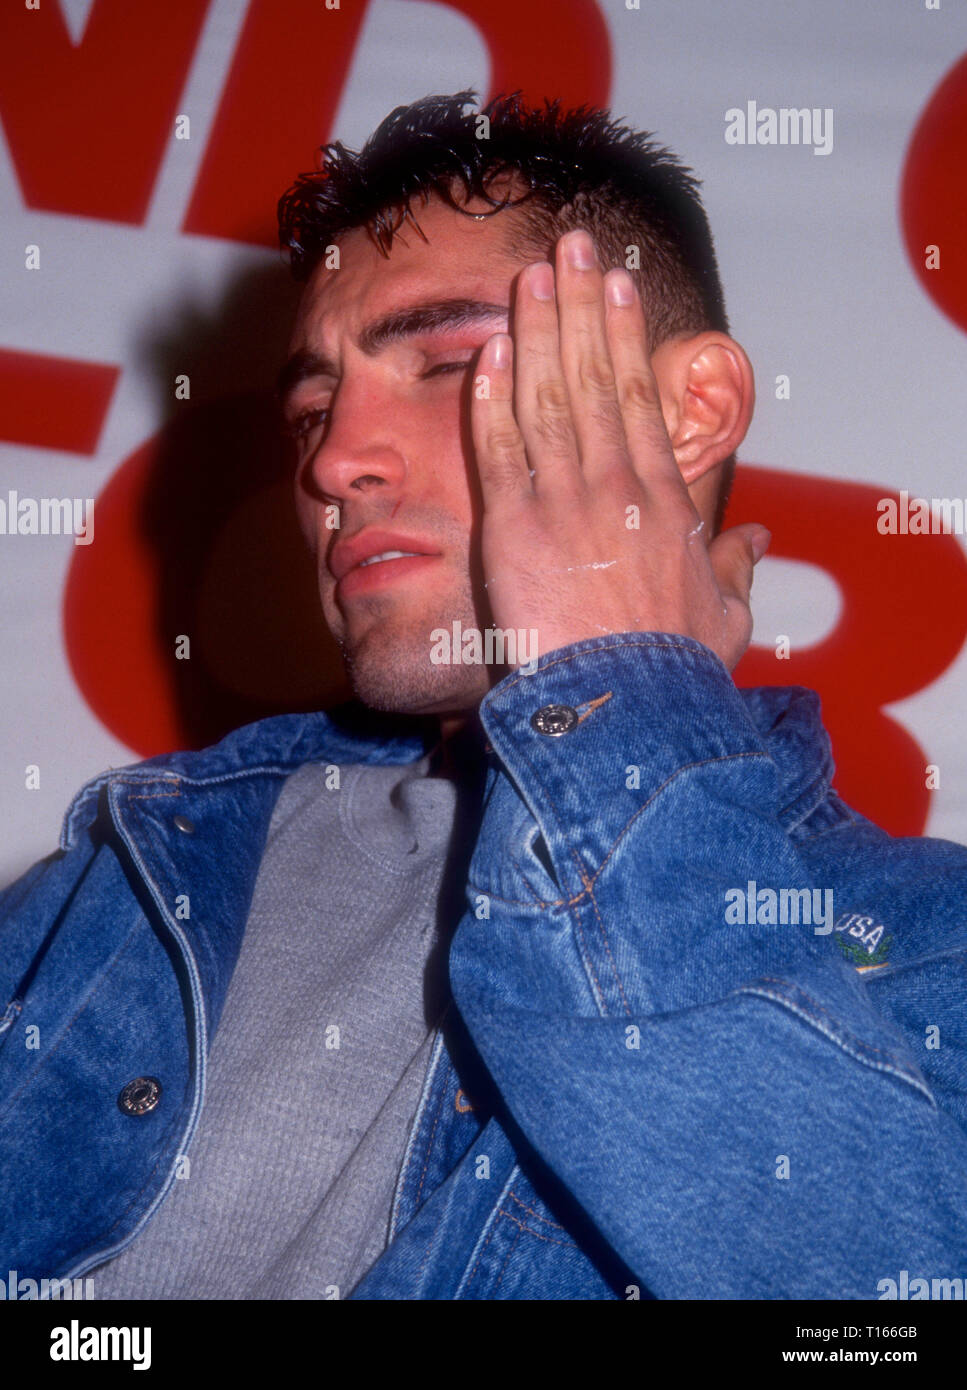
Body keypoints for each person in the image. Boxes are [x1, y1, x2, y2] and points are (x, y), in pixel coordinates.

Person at [1, 89, 966, 1302]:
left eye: (445, 360)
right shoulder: (127, 878)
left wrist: (618, 685)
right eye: (310, 406)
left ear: (690, 412)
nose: (334, 459)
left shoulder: (927, 942)